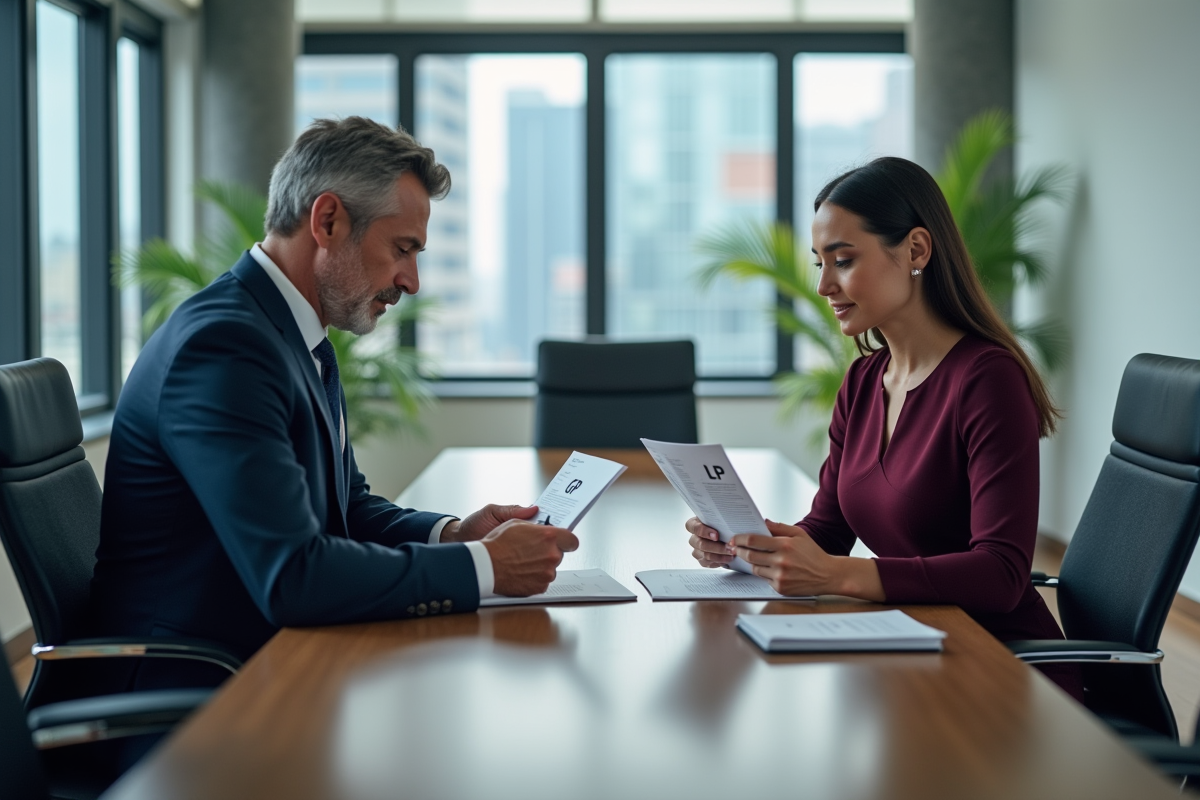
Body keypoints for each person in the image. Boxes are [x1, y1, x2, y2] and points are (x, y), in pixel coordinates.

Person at [91, 117, 578, 696]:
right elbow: (292, 576)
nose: (412, 280)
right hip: (188, 698)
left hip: (266, 666)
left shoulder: (290, 334)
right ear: (327, 221)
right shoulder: (225, 348)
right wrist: (487, 569)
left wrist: (454, 536)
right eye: (402, 249)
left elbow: (345, 508)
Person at [685, 156, 1081, 699]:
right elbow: (826, 531)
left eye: (843, 260)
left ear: (916, 250)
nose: (824, 285)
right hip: (908, 651)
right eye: (819, 262)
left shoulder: (987, 380)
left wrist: (837, 577)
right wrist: (747, 546)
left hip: (998, 668)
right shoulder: (864, 380)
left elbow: (1001, 573)